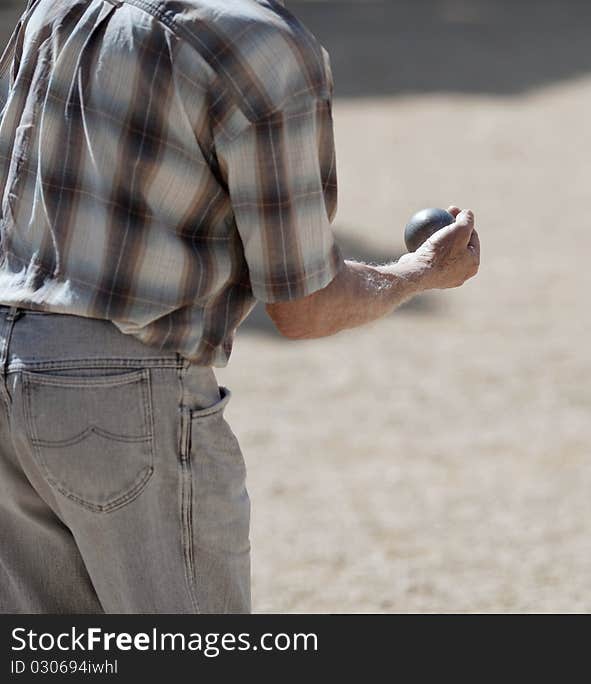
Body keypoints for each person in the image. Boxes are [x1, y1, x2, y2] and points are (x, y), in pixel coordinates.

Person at [0, 0, 479, 613]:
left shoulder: (61, 8)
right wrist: (419, 273)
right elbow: (305, 305)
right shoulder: (258, 44)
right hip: (122, 394)